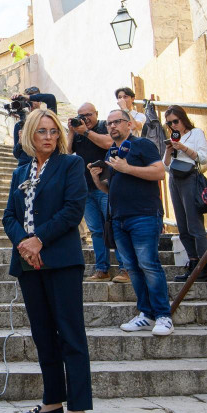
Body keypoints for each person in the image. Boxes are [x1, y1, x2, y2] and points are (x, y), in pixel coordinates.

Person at [3, 109, 91, 413]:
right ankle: (53, 401)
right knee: (42, 334)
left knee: (70, 333)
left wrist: (40, 240)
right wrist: (25, 243)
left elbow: (73, 209)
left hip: (62, 260)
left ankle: (78, 411)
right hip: (29, 263)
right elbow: (8, 217)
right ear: (29, 135)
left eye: (54, 131)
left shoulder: (71, 165)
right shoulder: (19, 172)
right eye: (42, 131)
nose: (49, 137)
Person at [88, 110, 173, 336]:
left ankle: (163, 316)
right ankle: (145, 314)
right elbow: (112, 188)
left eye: (117, 122)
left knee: (148, 264)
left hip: (144, 215)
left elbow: (159, 172)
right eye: (110, 123)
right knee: (133, 268)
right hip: (119, 219)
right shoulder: (112, 152)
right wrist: (98, 180)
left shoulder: (142, 144)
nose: (112, 126)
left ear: (128, 125)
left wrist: (127, 168)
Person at [67, 103, 129, 283]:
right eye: (81, 115)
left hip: (105, 187)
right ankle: (102, 269)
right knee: (96, 231)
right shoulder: (78, 132)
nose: (85, 118)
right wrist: (72, 131)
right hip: (85, 188)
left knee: (114, 226)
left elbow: (108, 143)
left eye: (88, 114)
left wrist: (86, 131)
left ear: (96, 113)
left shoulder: (104, 126)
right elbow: (68, 150)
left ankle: (125, 269)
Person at [162, 105, 207, 282]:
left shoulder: (196, 133)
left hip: (190, 178)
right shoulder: (172, 138)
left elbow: (204, 158)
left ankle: (203, 269)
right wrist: (169, 151)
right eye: (169, 123)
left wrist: (183, 148)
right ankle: (192, 262)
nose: (173, 125)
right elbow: (165, 166)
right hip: (175, 179)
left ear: (183, 119)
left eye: (176, 121)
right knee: (182, 226)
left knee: (194, 225)